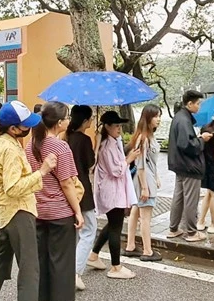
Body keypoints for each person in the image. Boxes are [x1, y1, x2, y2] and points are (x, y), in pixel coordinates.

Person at [0, 101, 57, 301]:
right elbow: (14, 188)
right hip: (18, 212)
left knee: (0, 264)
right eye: (25, 126)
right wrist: (42, 171)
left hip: (2, 213)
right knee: (29, 268)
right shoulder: (11, 149)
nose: (29, 129)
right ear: (14, 129)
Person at [25, 102, 84, 301]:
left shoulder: (30, 145)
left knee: (41, 257)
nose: (69, 121)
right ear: (59, 123)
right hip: (59, 211)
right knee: (62, 259)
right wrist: (77, 212)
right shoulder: (60, 147)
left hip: (38, 210)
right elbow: (67, 183)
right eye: (67, 117)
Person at [86, 111, 140, 279]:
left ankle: (94, 255)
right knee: (116, 227)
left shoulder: (111, 141)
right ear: (107, 127)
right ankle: (115, 267)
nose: (119, 129)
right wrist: (128, 159)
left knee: (112, 224)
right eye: (116, 126)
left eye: (120, 126)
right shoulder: (107, 146)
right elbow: (116, 170)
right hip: (112, 192)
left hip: (114, 190)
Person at [167, 90, 212, 242]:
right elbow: (187, 145)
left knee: (179, 197)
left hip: (179, 164)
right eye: (198, 103)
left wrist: (197, 138)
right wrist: (202, 140)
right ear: (190, 103)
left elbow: (184, 141)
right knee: (190, 200)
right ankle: (191, 232)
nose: (199, 106)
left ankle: (174, 228)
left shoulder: (179, 117)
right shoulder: (184, 120)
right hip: (189, 165)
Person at [124, 104, 164, 261]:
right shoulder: (144, 138)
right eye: (156, 116)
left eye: (159, 116)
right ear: (148, 118)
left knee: (136, 211)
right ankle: (147, 250)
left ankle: (130, 245)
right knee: (146, 217)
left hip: (146, 179)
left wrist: (157, 176)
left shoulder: (147, 136)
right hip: (144, 181)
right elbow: (140, 166)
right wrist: (146, 188)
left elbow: (149, 163)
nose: (159, 119)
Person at [66, 105, 96, 291]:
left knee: (76, 232)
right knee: (89, 230)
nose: (91, 122)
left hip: (69, 188)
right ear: (85, 121)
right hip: (82, 188)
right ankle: (74, 272)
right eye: (90, 119)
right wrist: (97, 143)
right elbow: (90, 163)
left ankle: (70, 269)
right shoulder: (84, 140)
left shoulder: (66, 138)